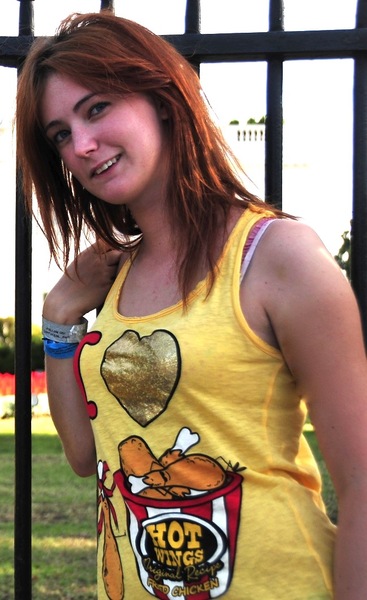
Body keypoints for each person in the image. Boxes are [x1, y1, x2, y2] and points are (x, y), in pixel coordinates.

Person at [16, 11, 367, 600]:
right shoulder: (116, 278)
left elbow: (360, 479)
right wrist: (59, 315)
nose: (81, 145)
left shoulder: (277, 256)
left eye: (97, 108)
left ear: (160, 96)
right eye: (59, 134)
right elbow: (84, 456)